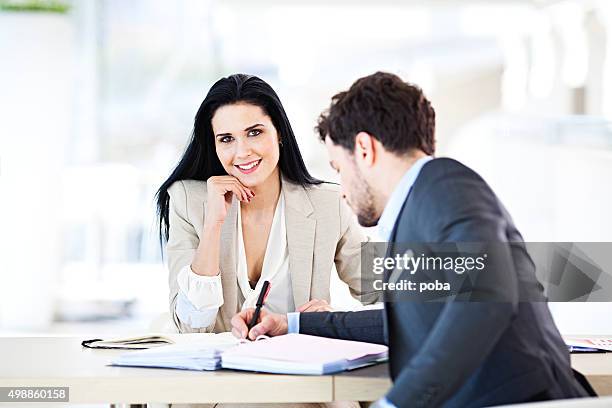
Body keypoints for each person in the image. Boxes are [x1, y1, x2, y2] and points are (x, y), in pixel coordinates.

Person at [231, 72, 590, 407]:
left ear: (365, 149)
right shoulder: (421, 203)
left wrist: (397, 403)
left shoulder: (446, 185)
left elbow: (486, 298)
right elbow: (405, 321)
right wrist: (292, 323)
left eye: (339, 168)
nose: (341, 191)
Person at [156, 74, 379, 335]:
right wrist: (212, 226)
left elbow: (402, 286)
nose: (242, 152)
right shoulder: (187, 201)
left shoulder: (327, 204)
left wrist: (332, 322)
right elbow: (190, 326)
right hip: (217, 374)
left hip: (299, 371)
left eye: (254, 132)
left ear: (280, 133)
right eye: (226, 139)